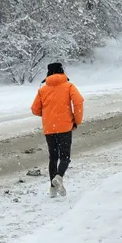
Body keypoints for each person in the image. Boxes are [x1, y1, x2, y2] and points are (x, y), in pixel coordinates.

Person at [31, 62, 84, 198]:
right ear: (61, 71)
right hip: (65, 126)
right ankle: (59, 177)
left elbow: (35, 109)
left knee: (53, 157)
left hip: (49, 128)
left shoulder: (43, 89)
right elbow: (78, 102)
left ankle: (52, 189)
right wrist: (76, 120)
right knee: (65, 157)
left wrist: (49, 115)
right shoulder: (68, 86)